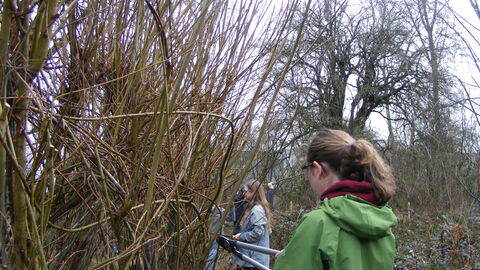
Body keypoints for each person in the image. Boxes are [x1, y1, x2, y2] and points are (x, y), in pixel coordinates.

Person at [274, 129, 397, 270]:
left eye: (306, 169)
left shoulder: (317, 223)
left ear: (317, 169)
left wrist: (285, 262)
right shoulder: (384, 224)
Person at [232, 180, 272, 270]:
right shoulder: (254, 208)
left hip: (253, 261)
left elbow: (257, 233)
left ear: (252, 192)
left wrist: (241, 236)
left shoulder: (257, 210)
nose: (243, 194)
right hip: (251, 260)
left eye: (245, 191)